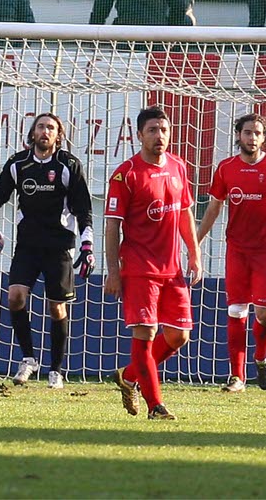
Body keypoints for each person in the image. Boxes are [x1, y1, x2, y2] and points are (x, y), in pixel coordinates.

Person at [0, 113, 94, 390]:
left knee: (56, 307)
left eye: (51, 128)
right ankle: (28, 359)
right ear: (32, 133)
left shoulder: (68, 165)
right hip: (28, 245)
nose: (45, 132)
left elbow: (83, 209)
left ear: (58, 136)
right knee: (15, 297)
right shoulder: (18, 164)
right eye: (40, 127)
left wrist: (87, 246)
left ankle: (56, 370)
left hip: (59, 247)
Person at [105, 105, 202, 420]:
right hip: (138, 267)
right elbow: (112, 226)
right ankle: (155, 406)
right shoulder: (126, 174)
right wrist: (113, 273)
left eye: (164, 129)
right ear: (139, 135)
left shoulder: (177, 167)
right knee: (145, 333)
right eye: (152, 130)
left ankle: (129, 375)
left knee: (178, 336)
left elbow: (185, 212)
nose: (159, 136)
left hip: (172, 268)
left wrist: (194, 252)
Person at [197, 113, 266, 393]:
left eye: (257, 133)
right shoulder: (226, 168)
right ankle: (237, 377)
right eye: (247, 132)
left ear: (263, 137)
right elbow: (214, 207)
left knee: (264, 313)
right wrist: (196, 241)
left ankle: (261, 358)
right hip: (237, 249)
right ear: (238, 135)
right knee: (235, 310)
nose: (252, 138)